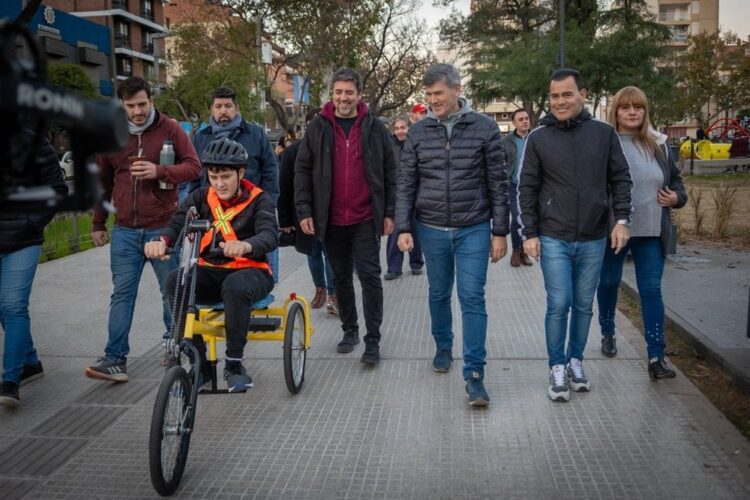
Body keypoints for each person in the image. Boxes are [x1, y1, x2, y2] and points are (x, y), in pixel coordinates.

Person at [396, 63, 509, 407]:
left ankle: (475, 374)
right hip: (431, 228)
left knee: (472, 296)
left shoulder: (485, 128)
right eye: (428, 95)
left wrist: (500, 232)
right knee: (439, 292)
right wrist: (403, 226)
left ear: (457, 90)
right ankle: (443, 346)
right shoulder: (418, 131)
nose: (432, 101)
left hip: (473, 227)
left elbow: (498, 183)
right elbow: (406, 183)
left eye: (438, 94)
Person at [518, 68, 632, 403]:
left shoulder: (603, 134)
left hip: (594, 236)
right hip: (553, 235)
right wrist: (530, 233)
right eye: (554, 95)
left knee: (584, 305)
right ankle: (556, 366)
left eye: (567, 94)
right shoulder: (538, 138)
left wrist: (621, 220)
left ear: (583, 94)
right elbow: (527, 188)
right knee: (560, 302)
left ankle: (575, 361)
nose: (560, 101)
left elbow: (621, 179)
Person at [86, 76, 201, 382]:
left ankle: (174, 347)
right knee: (121, 294)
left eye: (142, 104)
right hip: (124, 231)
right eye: (131, 106)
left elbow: (194, 166)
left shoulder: (170, 129)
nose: (137, 111)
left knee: (170, 293)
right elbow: (103, 184)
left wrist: (159, 170)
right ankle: (114, 359)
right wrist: (98, 223)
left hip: (163, 227)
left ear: (151, 100)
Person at [146, 138, 277, 391]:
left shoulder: (260, 200)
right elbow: (177, 224)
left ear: (240, 173)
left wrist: (247, 245)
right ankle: (201, 366)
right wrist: (161, 240)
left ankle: (234, 364)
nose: (219, 184)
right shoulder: (200, 197)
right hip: (211, 270)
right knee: (176, 280)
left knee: (235, 286)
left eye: (225, 176)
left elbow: (270, 234)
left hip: (252, 271)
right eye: (214, 176)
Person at [295, 67, 396, 366]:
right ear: (333, 94)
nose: (343, 98)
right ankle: (349, 330)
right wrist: (304, 210)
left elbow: (392, 172)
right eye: (338, 92)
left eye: (349, 92)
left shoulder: (375, 128)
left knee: (369, 277)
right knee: (340, 279)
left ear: (359, 94)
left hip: (366, 217)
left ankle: (373, 340)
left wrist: (390, 212)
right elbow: (302, 170)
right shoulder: (318, 127)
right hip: (331, 219)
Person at [596, 86, 687, 379]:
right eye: (626, 107)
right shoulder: (606, 143)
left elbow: (676, 182)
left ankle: (656, 356)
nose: (632, 112)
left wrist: (677, 198)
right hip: (614, 232)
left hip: (651, 231)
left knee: (651, 291)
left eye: (638, 107)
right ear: (616, 112)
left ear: (645, 111)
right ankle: (608, 331)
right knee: (609, 282)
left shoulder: (658, 144)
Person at [190, 86, 279, 308]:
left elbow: (270, 170)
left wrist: (268, 203)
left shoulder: (255, 133)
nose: (223, 111)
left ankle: (259, 294)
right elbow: (194, 174)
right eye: (218, 106)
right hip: (213, 212)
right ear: (212, 109)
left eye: (228, 106)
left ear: (236, 108)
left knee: (259, 249)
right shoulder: (201, 137)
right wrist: (194, 203)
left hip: (251, 210)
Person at [0, 134, 68, 408]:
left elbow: (57, 189)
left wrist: (32, 223)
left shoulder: (35, 142)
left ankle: (10, 381)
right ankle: (29, 362)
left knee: (14, 306)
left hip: (22, 241)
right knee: (2, 308)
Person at [278, 108, 339, 315]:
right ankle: (320, 288)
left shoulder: (336, 148)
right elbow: (285, 187)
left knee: (332, 254)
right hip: (305, 214)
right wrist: (285, 218)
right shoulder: (292, 152)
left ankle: (333, 294)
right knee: (313, 254)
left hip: (332, 213)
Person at [384, 116, 423, 280]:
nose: (400, 131)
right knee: (395, 232)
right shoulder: (388, 145)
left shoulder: (416, 143)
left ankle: (416, 263)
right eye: (397, 128)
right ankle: (394, 268)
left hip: (416, 193)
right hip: (396, 195)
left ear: (409, 128)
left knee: (415, 230)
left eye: (403, 127)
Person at [500, 108, 533, 267]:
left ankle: (525, 252)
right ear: (514, 123)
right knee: (516, 220)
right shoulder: (506, 141)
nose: (525, 121)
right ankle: (516, 250)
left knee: (528, 220)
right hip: (514, 186)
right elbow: (501, 162)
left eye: (526, 118)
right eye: (521, 119)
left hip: (533, 188)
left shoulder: (535, 138)